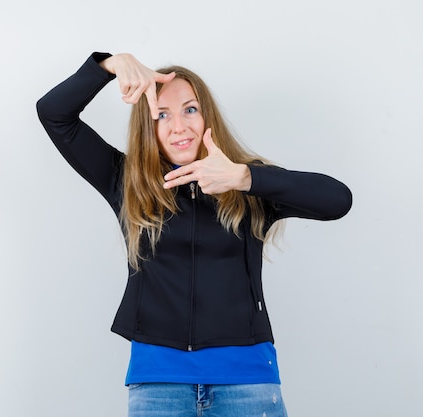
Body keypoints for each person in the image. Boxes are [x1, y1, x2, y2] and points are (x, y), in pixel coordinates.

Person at [36, 52, 352, 417]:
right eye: (162, 114)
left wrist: (245, 178)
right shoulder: (127, 181)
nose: (178, 127)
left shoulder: (248, 182)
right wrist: (108, 65)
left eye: (190, 110)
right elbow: (53, 113)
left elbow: (338, 200)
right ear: (148, 126)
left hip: (247, 383)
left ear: (207, 117)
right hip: (158, 386)